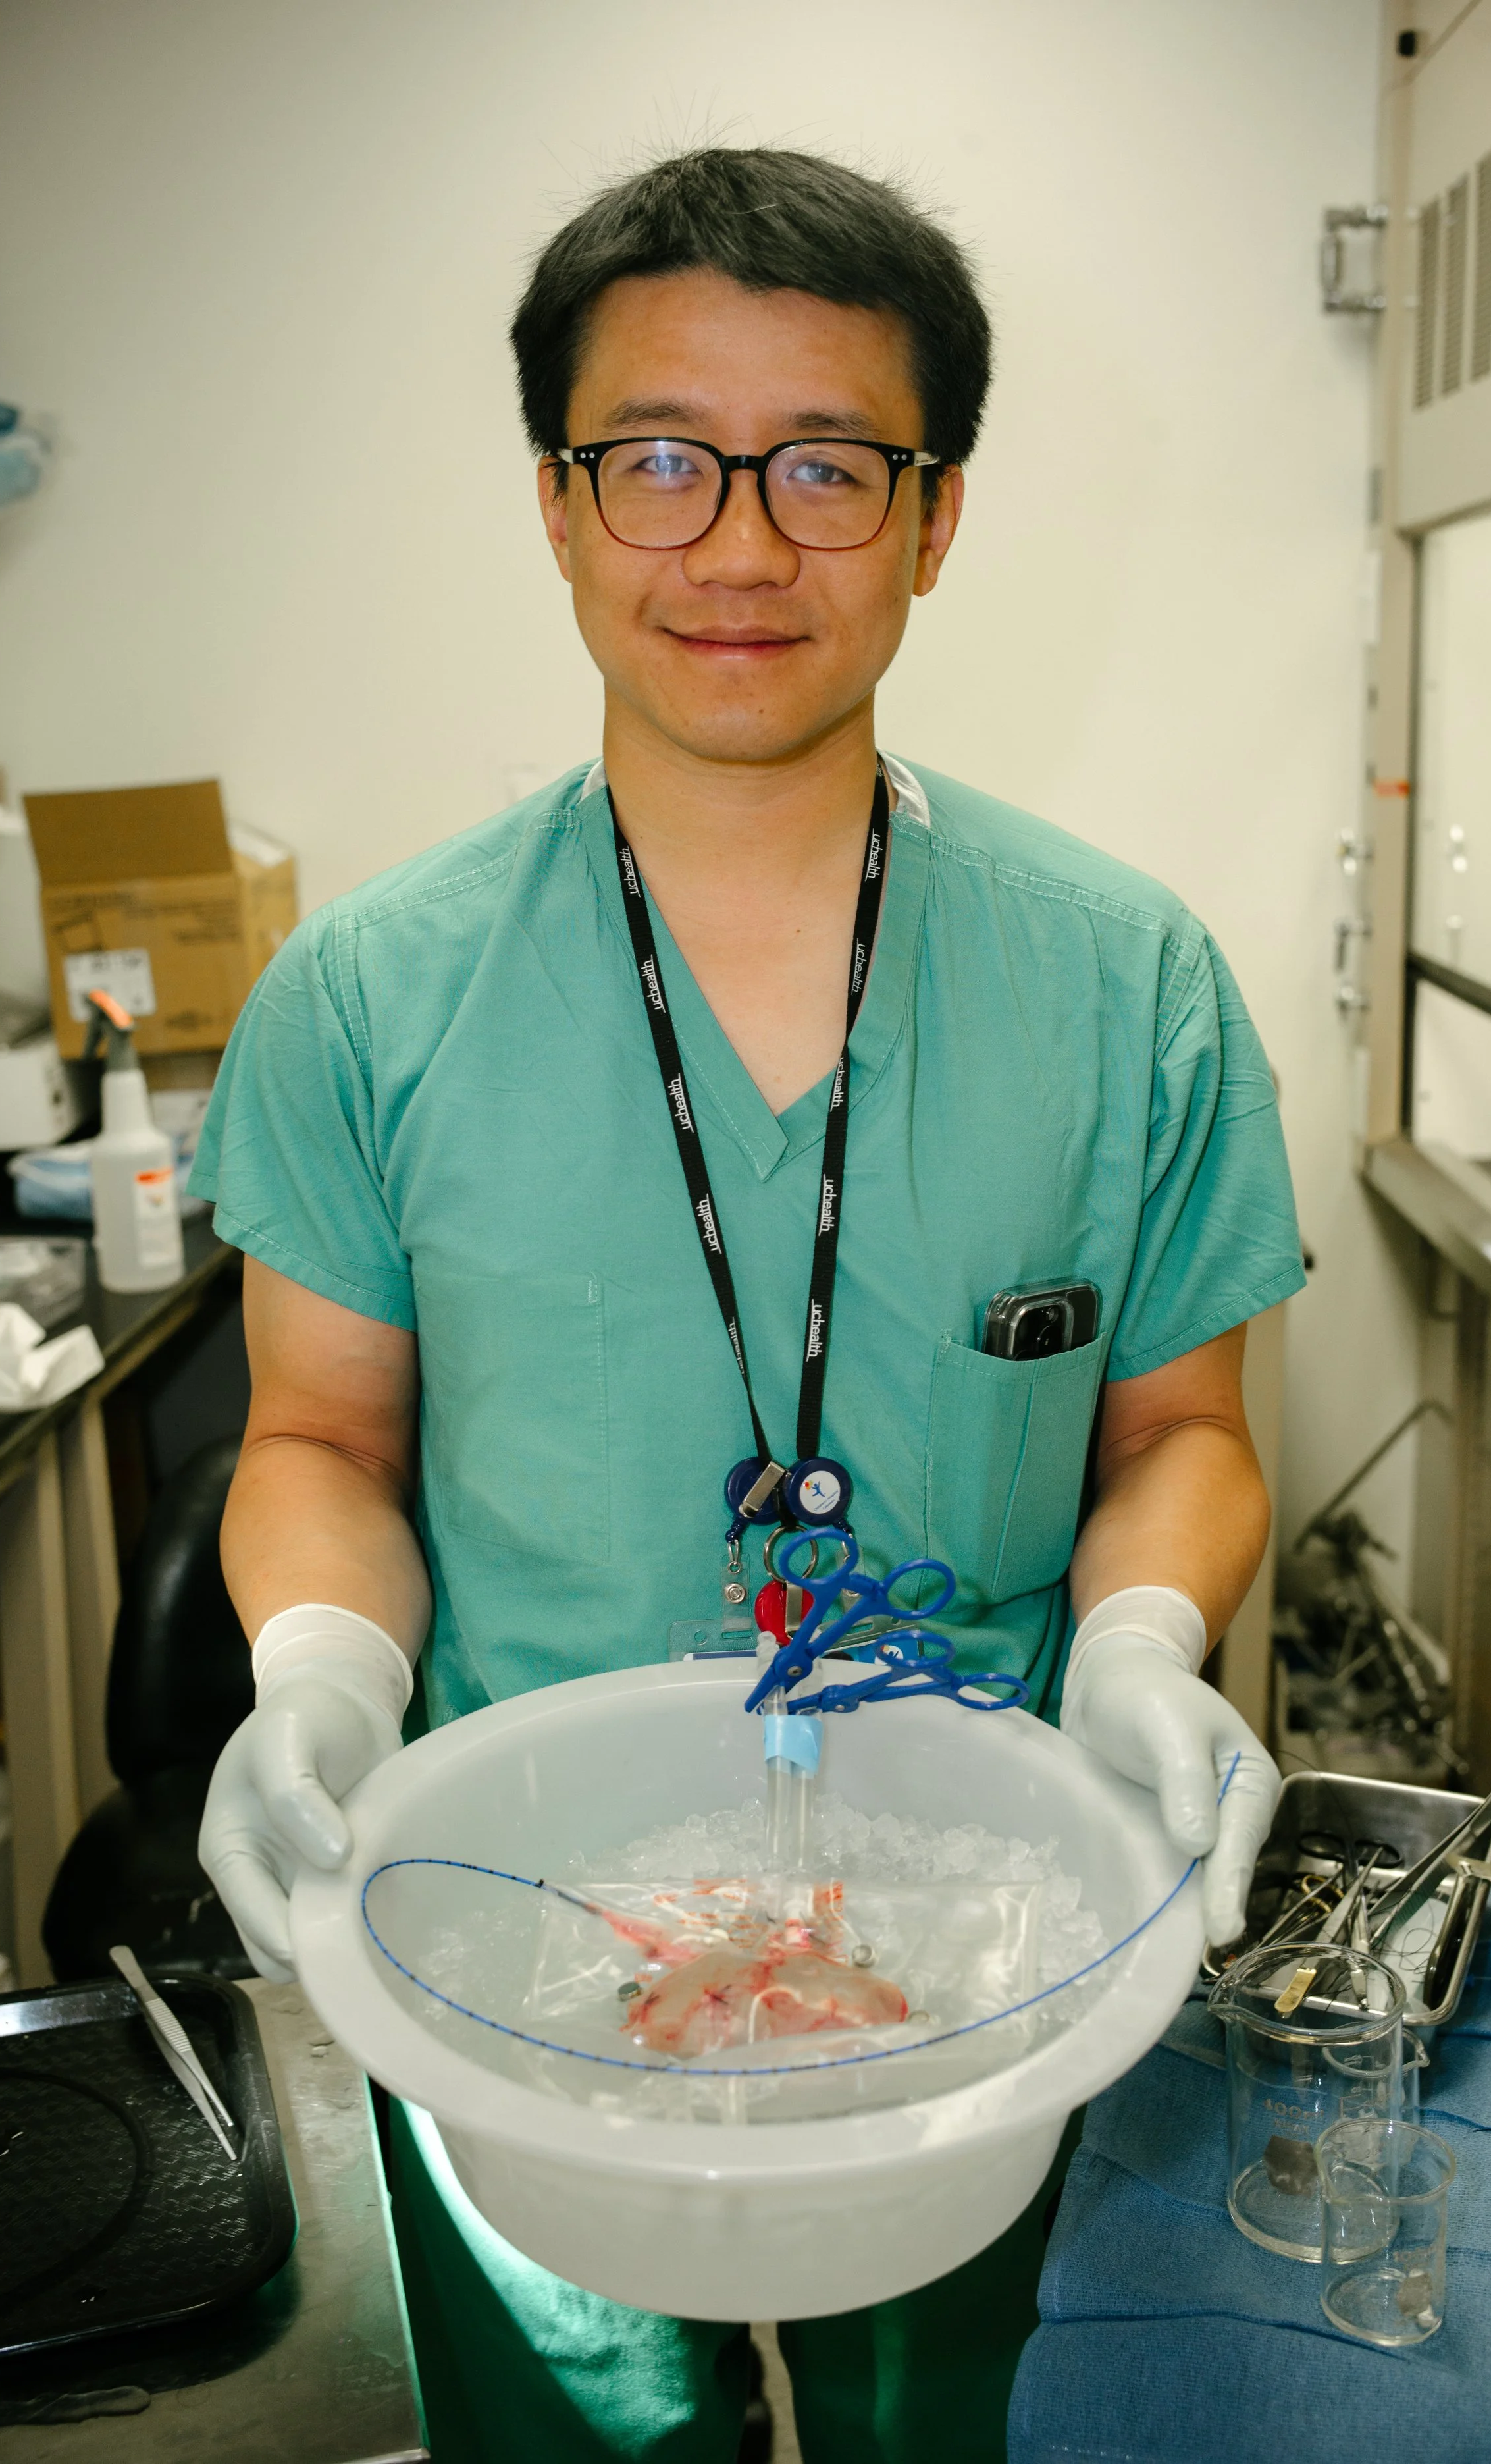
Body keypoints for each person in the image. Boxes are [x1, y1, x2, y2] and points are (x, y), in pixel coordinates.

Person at [194, 146, 1305, 2463]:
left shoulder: (1127, 990)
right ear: (559, 502)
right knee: (577, 2429)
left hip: (985, 1943)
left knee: (962, 2425)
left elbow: (1173, 1431)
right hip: (519, 1934)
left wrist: (1139, 1645)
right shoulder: (370, 996)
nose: (733, 542)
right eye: (659, 460)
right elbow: (318, 1441)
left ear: (934, 513)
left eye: (824, 467)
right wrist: (318, 1671)